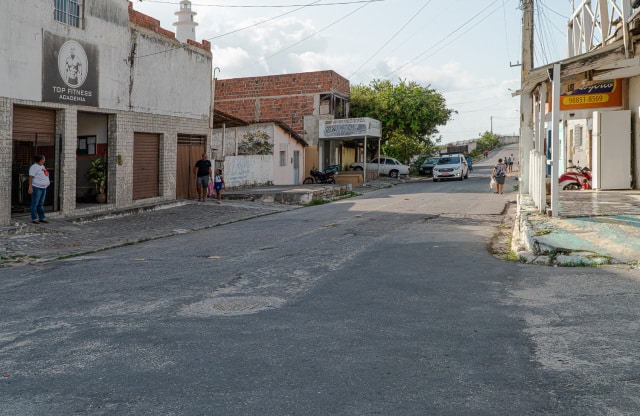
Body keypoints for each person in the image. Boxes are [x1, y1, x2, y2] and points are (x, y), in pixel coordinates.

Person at [28, 154, 51, 224]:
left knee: (41, 203)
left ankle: (42, 217)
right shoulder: (34, 167)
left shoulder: (42, 166)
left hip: (43, 187)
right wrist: (30, 187)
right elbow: (31, 177)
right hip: (37, 187)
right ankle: (34, 218)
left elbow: (45, 174)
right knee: (35, 203)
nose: (44, 160)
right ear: (41, 160)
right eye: (44, 159)